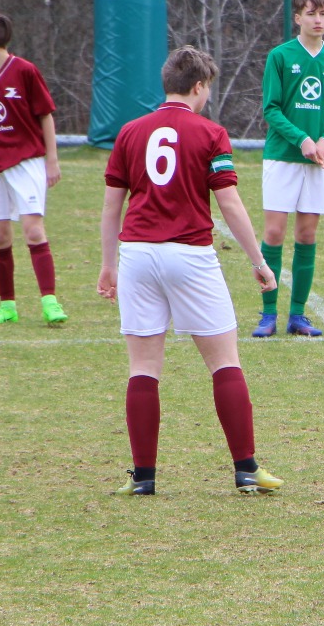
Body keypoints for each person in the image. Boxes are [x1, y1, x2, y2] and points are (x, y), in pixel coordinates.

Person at [98, 46, 283, 496]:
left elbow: (111, 205)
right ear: (199, 86)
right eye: (208, 90)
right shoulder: (211, 133)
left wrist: (108, 266)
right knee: (224, 361)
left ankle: (143, 478)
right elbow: (230, 203)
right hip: (190, 255)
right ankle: (246, 470)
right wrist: (258, 261)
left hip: (137, 255)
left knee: (143, 367)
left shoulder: (130, 131)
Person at [251, 0, 324, 339]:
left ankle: (298, 315)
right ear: (297, 17)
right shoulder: (280, 56)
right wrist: (302, 139)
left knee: (307, 235)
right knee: (275, 233)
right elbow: (271, 109)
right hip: (282, 158)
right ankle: (268, 315)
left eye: (323, 13)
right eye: (311, 13)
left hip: (318, 163)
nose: (318, 20)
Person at [0, 13, 66, 326]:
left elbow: (45, 115)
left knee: (33, 230)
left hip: (26, 161)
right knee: (0, 236)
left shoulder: (25, 71)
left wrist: (52, 159)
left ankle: (50, 302)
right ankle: (7, 306)